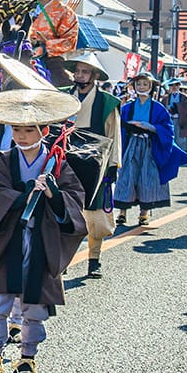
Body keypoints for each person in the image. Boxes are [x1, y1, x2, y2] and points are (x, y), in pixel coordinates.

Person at [0, 88, 85, 373]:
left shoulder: (56, 162)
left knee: (33, 304)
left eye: (28, 130)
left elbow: (75, 198)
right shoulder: (4, 159)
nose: (21, 136)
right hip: (7, 239)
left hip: (40, 240)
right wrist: (22, 197)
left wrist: (53, 193)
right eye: (17, 130)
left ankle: (27, 357)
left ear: (44, 130)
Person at [60, 51, 121, 279]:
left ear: (94, 75)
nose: (80, 75)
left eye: (85, 71)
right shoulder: (64, 97)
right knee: (65, 208)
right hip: (67, 157)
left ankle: (94, 258)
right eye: (77, 71)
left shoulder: (107, 102)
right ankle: (63, 257)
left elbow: (114, 134)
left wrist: (113, 165)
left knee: (95, 214)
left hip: (97, 160)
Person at [114, 71, 187, 229]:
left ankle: (144, 213)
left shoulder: (159, 108)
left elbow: (168, 129)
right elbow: (118, 125)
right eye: (139, 84)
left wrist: (153, 128)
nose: (142, 87)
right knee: (126, 176)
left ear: (151, 87)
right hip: (131, 144)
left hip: (149, 145)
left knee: (147, 178)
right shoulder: (127, 107)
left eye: (145, 84)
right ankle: (122, 212)